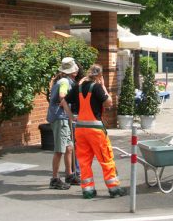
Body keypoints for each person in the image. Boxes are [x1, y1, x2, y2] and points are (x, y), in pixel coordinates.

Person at [66, 64, 126, 199]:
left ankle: (88, 191)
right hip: (95, 130)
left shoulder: (78, 87)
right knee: (105, 159)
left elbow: (63, 101)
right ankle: (114, 189)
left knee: (84, 161)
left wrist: (71, 116)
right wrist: (104, 86)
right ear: (99, 76)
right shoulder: (97, 87)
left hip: (80, 129)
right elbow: (109, 102)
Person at [47, 57, 80, 190]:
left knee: (69, 147)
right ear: (74, 72)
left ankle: (69, 175)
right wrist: (70, 115)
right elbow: (62, 96)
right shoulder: (65, 82)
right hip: (60, 118)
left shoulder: (63, 80)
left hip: (62, 118)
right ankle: (54, 178)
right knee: (60, 150)